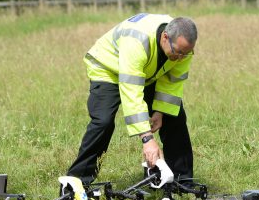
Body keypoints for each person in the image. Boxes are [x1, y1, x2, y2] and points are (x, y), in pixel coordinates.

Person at [67, 13, 197, 187]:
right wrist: (147, 138)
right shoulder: (137, 42)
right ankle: (76, 183)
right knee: (103, 122)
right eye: (178, 52)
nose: (181, 58)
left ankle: (181, 182)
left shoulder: (182, 48)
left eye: (186, 54)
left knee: (174, 117)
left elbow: (172, 81)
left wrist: (160, 111)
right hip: (108, 69)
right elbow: (132, 91)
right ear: (165, 37)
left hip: (145, 72)